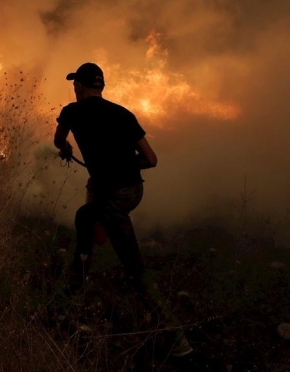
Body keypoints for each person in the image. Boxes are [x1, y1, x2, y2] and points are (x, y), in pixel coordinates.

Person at [53, 62, 193, 358]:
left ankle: (177, 339)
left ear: (79, 86)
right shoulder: (123, 114)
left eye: (75, 84)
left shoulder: (72, 111)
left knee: (134, 269)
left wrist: (67, 151)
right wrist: (125, 165)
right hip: (132, 190)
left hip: (112, 198)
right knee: (85, 217)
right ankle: (67, 300)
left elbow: (58, 141)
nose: (74, 88)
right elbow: (151, 159)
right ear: (101, 86)